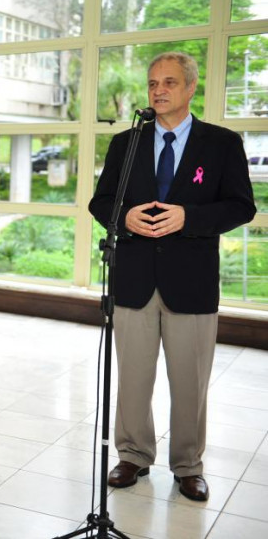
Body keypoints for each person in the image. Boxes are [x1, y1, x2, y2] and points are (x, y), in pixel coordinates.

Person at [89, 52, 256, 502]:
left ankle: (188, 465)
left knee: (190, 383)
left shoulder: (221, 143)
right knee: (133, 379)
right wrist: (124, 218)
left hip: (192, 282)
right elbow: (101, 201)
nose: (158, 90)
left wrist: (189, 217)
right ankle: (132, 455)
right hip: (134, 280)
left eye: (169, 82)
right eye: (152, 83)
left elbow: (242, 206)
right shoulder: (126, 143)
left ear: (190, 88)